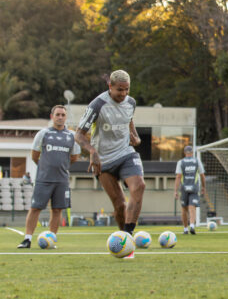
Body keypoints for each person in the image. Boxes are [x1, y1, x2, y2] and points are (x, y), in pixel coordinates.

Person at [75, 70, 145, 243]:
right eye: (119, 90)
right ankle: (125, 242)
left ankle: (129, 234)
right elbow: (78, 134)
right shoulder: (97, 105)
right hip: (104, 160)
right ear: (110, 86)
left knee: (139, 186)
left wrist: (135, 136)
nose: (124, 94)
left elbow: (129, 119)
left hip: (125, 153)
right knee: (120, 205)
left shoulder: (131, 102)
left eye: (127, 89)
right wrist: (92, 152)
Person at [17, 105, 81, 248]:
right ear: (52, 116)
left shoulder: (71, 136)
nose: (60, 117)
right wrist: (45, 167)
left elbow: (75, 156)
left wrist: (61, 166)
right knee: (35, 208)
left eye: (62, 115)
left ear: (66, 117)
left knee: (57, 210)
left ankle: (51, 239)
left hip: (62, 180)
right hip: (43, 179)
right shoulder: (43, 133)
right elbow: (35, 155)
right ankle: (27, 239)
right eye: (57, 114)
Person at [174, 145, 207, 235]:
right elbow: (202, 175)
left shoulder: (181, 162)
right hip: (194, 188)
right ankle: (192, 225)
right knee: (192, 207)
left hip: (184, 188)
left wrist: (175, 190)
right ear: (192, 153)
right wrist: (203, 187)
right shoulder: (197, 161)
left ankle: (185, 229)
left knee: (184, 209)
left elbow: (178, 176)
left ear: (185, 153)